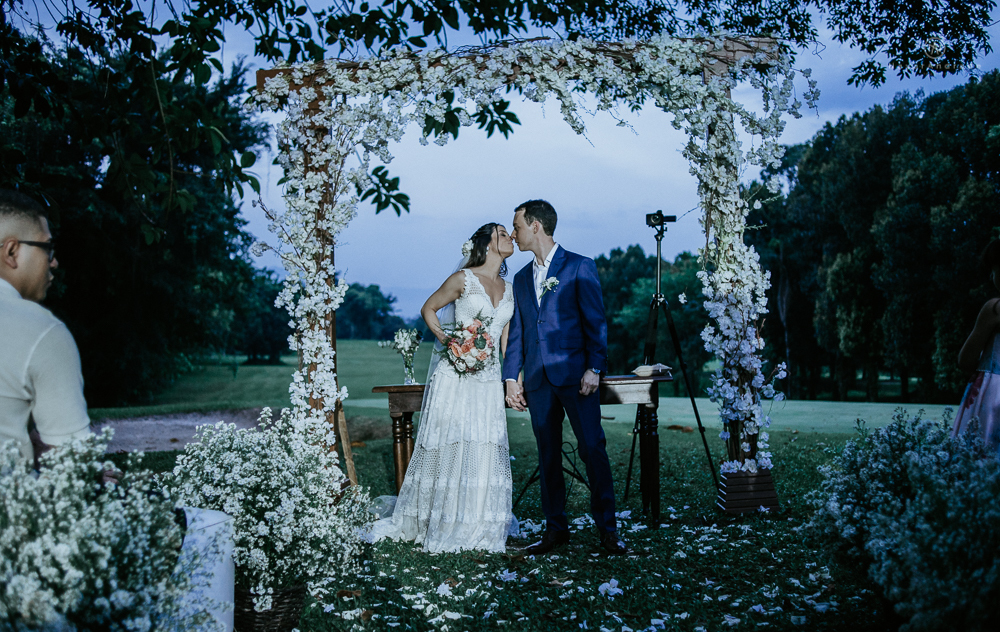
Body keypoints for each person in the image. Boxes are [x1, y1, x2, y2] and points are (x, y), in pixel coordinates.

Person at [370, 222, 517, 552]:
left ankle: (479, 520)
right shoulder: (463, 279)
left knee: (484, 446)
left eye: (509, 233)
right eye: (502, 234)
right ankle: (444, 518)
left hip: (488, 380)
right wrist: (450, 341)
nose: (510, 237)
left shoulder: (509, 289)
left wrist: (514, 378)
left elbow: (506, 341)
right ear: (487, 244)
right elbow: (429, 308)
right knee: (451, 443)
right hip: (456, 377)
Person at [502, 199, 626, 555]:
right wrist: (511, 378)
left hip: (576, 377)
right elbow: (518, 334)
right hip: (538, 380)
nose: (514, 234)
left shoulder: (579, 266)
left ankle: (608, 531)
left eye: (518, 227)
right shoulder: (521, 279)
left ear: (535, 226)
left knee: (592, 448)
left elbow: (596, 321)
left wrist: (594, 368)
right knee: (547, 455)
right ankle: (555, 529)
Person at [0, 189, 93, 467]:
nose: (54, 262)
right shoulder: (43, 330)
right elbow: (73, 462)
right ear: (12, 251)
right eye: (47, 248)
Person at [955, 239, 1000, 455]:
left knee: (981, 457)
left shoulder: (994, 309)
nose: (992, 277)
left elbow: (965, 360)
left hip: (993, 392)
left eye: (994, 270)